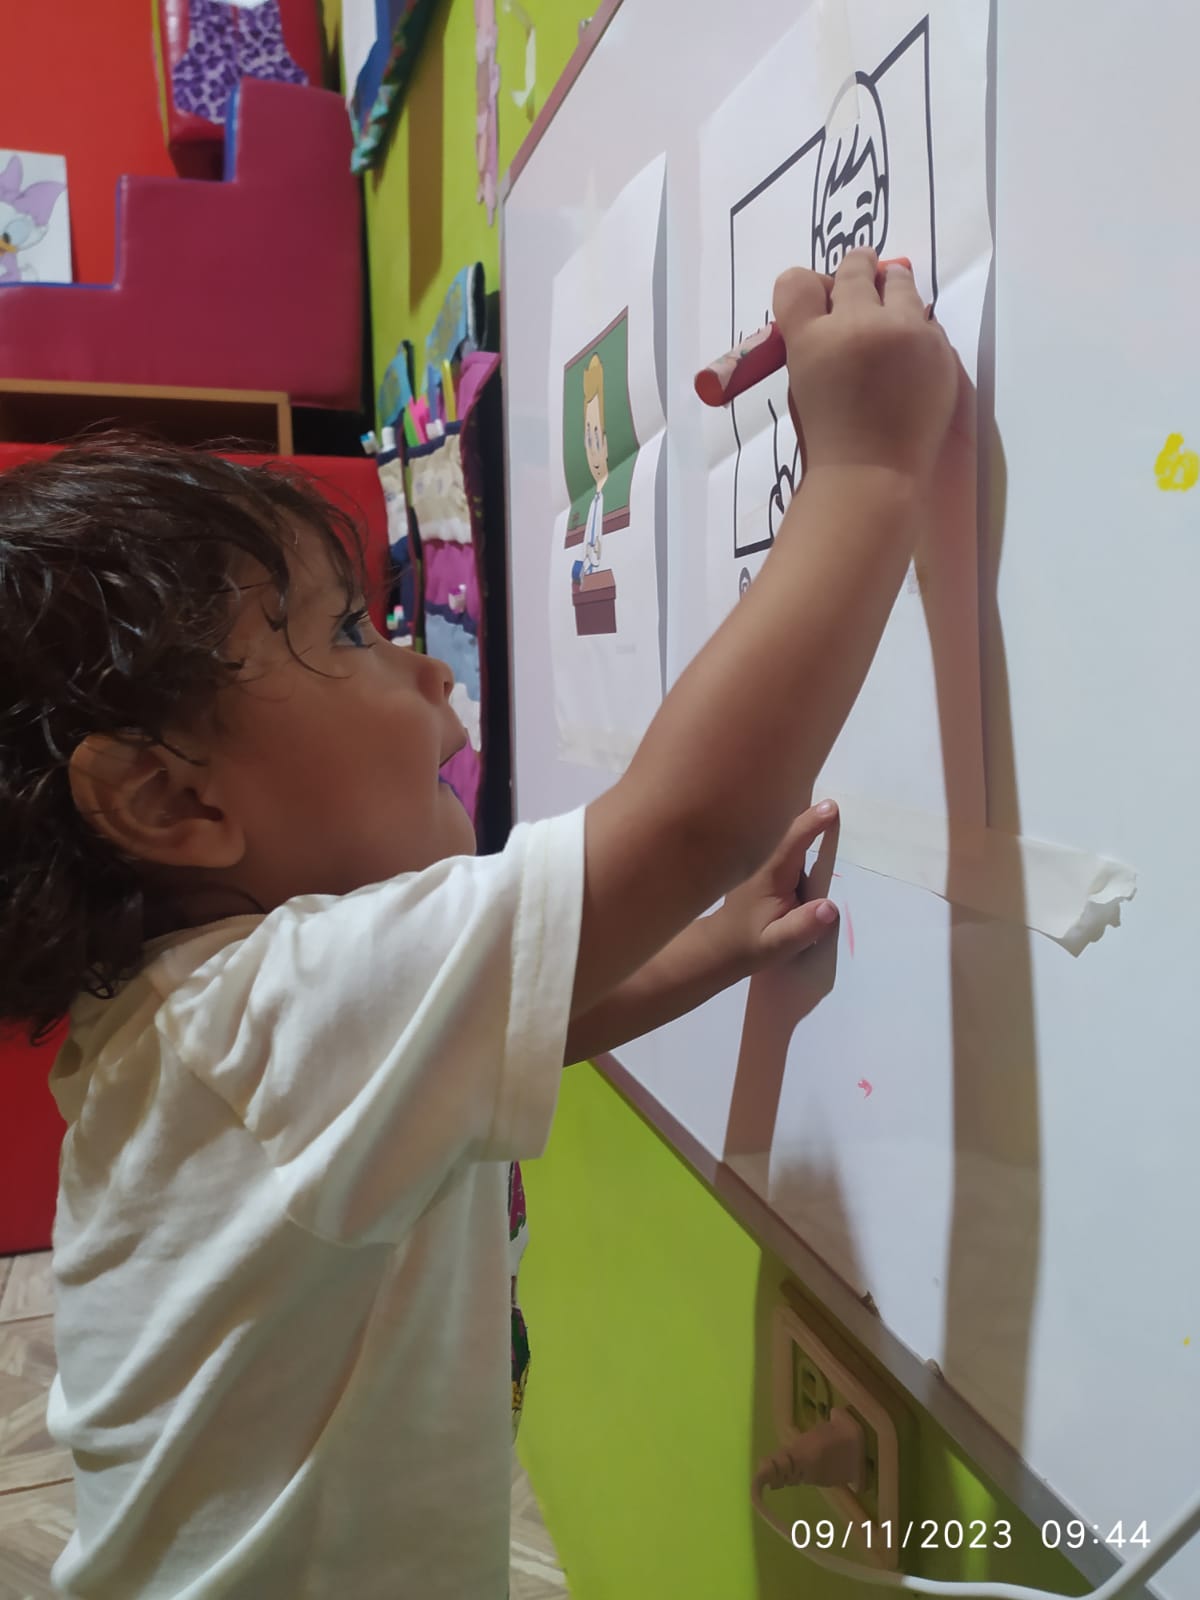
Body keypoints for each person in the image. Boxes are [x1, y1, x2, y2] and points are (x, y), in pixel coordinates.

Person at [0, 249, 960, 1598]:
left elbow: (528, 1023)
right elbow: (696, 819)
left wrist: (714, 946)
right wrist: (867, 468)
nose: (418, 667)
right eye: (349, 634)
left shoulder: (211, 1021)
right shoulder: (264, 1018)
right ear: (170, 800)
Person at [572, 351, 608, 586]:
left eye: (596, 438)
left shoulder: (605, 499)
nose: (592, 451)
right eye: (588, 439)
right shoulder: (592, 500)